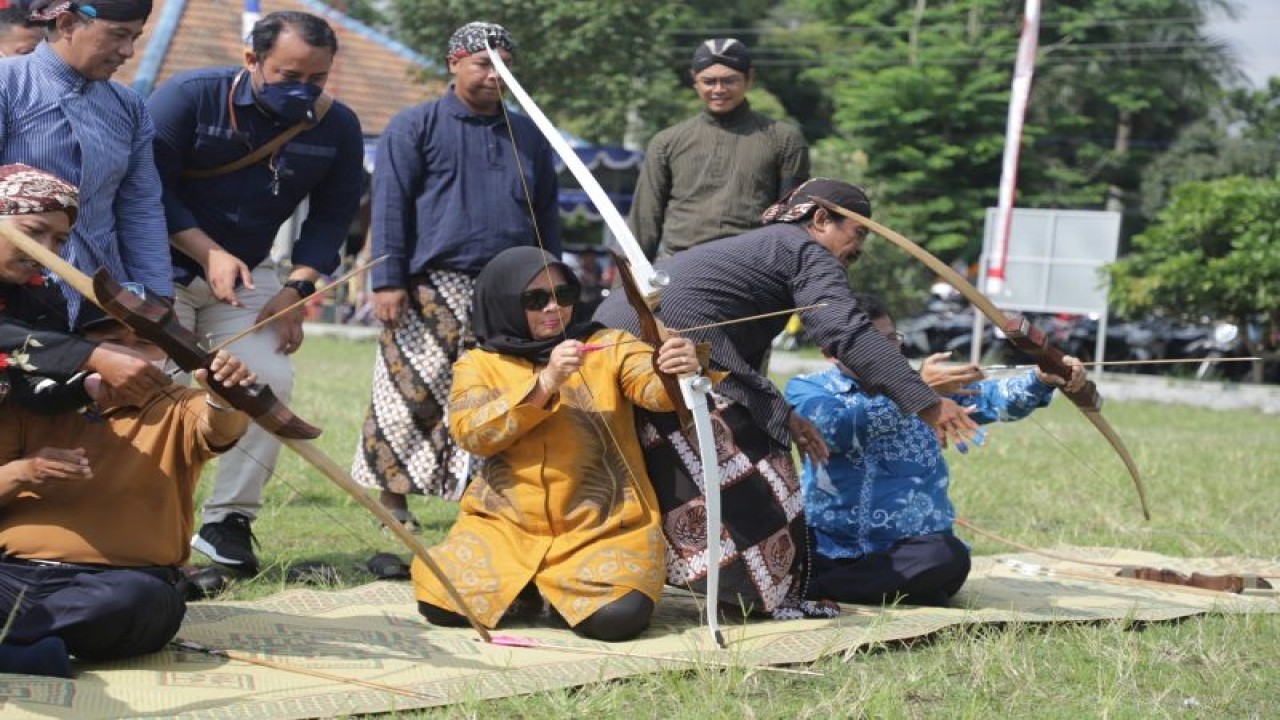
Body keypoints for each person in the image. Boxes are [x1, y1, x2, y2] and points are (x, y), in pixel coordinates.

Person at [594, 178, 977, 618]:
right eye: (858, 233)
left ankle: (724, 587)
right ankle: (760, 595)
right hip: (660, 348)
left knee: (671, 470)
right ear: (820, 220)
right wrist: (927, 402)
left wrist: (785, 413)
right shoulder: (805, 250)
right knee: (767, 479)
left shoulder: (772, 246)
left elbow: (740, 359)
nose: (859, 249)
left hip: (628, 347)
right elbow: (844, 332)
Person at [148, 11, 364, 575]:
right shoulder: (187, 98)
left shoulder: (338, 126)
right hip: (155, 266)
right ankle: (149, 513)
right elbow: (149, 188)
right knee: (158, 388)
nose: (304, 91)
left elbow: (331, 217)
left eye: (316, 80)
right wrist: (208, 253)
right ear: (252, 61)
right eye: (288, 74)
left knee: (268, 377)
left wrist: (296, 288)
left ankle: (227, 524)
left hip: (247, 274)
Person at [412, 246, 699, 642]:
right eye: (536, 300)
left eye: (563, 296)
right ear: (503, 303)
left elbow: (657, 391)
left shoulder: (608, 345)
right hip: (504, 526)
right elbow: (471, 434)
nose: (554, 308)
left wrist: (677, 366)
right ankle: (530, 588)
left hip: (603, 527)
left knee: (618, 618)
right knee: (439, 603)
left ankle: (536, 591)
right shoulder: (478, 364)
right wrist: (546, 382)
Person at [352, 21, 561, 524]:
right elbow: (390, 207)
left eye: (504, 67)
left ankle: (486, 499)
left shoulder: (529, 134)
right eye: (483, 64)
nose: (494, 76)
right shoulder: (414, 125)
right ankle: (392, 501)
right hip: (430, 284)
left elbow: (547, 213)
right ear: (454, 64)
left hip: (511, 289)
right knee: (412, 388)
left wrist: (553, 283)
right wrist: (387, 281)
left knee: (502, 391)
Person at [0, 300, 255, 677]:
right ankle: (28, 650)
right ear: (82, 347)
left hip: (119, 585)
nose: (127, 354)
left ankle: (13, 649)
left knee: (145, 601)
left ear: (166, 356)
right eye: (110, 339)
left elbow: (222, 426)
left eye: (144, 344)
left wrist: (225, 394)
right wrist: (24, 471)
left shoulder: (182, 406)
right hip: (12, 577)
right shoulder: (33, 400)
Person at [785, 294, 1087, 606]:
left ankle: (818, 589)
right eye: (872, 344)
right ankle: (863, 586)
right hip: (829, 545)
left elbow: (995, 399)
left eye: (892, 339)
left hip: (910, 551)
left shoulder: (931, 386)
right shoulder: (808, 389)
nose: (889, 350)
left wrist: (1041, 378)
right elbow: (837, 430)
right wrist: (916, 391)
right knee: (782, 549)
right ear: (831, 352)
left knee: (947, 557)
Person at [0, 0, 172, 322]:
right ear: (66, 24)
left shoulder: (129, 107)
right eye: (118, 35)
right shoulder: (7, 85)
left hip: (102, 300)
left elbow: (140, 206)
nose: (127, 52)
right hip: (16, 300)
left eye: (134, 38)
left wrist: (157, 300)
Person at [0, 162, 169, 410]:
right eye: (34, 231)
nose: (46, 250)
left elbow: (31, 389)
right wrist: (92, 355)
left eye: (59, 240)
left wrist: (88, 388)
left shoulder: (44, 293)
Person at [628, 38, 809, 260]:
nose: (719, 89)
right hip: (680, 265)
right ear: (695, 80)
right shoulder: (666, 141)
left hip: (753, 267)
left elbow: (793, 221)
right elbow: (644, 220)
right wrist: (626, 289)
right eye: (709, 81)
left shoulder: (784, 138)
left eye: (729, 81)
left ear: (749, 78)